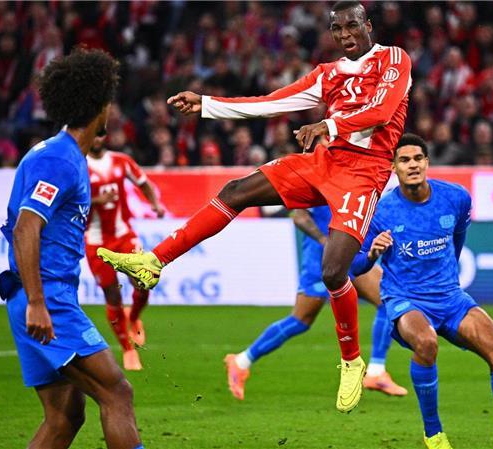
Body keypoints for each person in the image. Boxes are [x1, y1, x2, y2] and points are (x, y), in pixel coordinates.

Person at [98, 0, 411, 413]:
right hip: (323, 162)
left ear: (367, 24)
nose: (346, 35)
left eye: (353, 25)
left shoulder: (393, 59)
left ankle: (352, 361)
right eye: (338, 29)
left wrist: (329, 125)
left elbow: (384, 109)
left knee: (333, 270)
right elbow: (271, 102)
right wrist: (207, 105)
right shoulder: (328, 74)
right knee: (235, 191)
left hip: (363, 172)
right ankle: (154, 262)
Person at [0, 49, 143, 449]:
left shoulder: (62, 154)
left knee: (64, 417)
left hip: (34, 294)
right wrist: (39, 302)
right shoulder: (61, 160)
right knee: (117, 392)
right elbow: (27, 227)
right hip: (46, 298)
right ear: (100, 104)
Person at [351, 134, 493, 449]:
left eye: (418, 158)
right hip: (406, 299)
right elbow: (355, 266)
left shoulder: (456, 198)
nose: (412, 165)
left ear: (427, 162)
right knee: (427, 343)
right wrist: (373, 254)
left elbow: (457, 241)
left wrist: (449, 282)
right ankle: (433, 433)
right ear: (394, 167)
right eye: (404, 160)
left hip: (451, 299)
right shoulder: (382, 211)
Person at [224, 205, 407, 400]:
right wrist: (325, 241)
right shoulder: (319, 180)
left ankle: (376, 372)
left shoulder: (357, 181)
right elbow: (299, 216)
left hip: (350, 253)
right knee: (300, 320)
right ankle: (241, 361)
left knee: (388, 300)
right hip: (321, 258)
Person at [85, 135, 166, 371]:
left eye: (101, 134)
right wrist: (97, 199)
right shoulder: (79, 166)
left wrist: (154, 203)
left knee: (143, 279)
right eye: (94, 134)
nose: (97, 138)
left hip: (124, 234)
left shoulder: (122, 161)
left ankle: (133, 318)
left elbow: (143, 182)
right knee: (112, 296)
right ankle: (128, 349)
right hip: (96, 241)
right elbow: (69, 201)